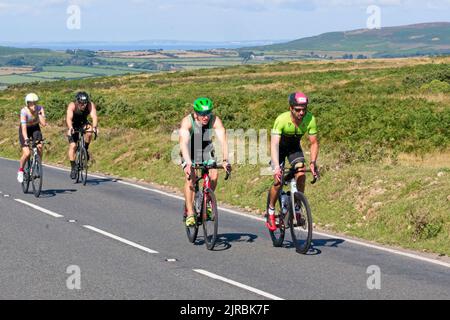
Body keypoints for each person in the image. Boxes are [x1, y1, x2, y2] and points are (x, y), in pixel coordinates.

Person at [267, 92, 319, 231]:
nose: (301, 112)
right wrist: (277, 166)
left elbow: (314, 143)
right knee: (278, 182)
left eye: (304, 109)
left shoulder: (310, 119)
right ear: (291, 108)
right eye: (298, 109)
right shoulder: (282, 120)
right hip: (279, 150)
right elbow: (274, 144)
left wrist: (313, 163)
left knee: (301, 174)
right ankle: (271, 211)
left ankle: (297, 207)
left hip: (294, 148)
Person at [179, 97, 231, 227]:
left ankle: (207, 201)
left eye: (208, 112)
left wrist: (225, 160)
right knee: (191, 178)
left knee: (214, 174)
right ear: (195, 113)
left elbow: (223, 141)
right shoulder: (187, 121)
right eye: (202, 114)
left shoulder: (214, 120)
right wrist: (187, 162)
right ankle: (190, 213)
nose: (205, 117)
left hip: (205, 150)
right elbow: (183, 143)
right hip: (189, 151)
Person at [66, 91, 98, 179]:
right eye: (81, 103)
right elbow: (68, 118)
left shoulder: (90, 105)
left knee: (90, 130)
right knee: (73, 146)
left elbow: (94, 116)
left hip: (83, 123)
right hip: (73, 125)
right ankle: (73, 167)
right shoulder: (72, 105)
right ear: (77, 101)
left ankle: (85, 149)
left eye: (85, 103)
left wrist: (95, 127)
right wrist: (70, 128)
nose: (83, 105)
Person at [17, 93, 47, 183]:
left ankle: (38, 164)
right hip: (25, 129)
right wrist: (26, 139)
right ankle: (21, 171)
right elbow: (23, 128)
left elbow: (44, 124)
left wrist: (40, 114)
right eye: (31, 103)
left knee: (40, 146)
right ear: (27, 103)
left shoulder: (40, 108)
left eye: (35, 103)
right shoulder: (24, 111)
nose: (33, 105)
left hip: (35, 128)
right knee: (26, 153)